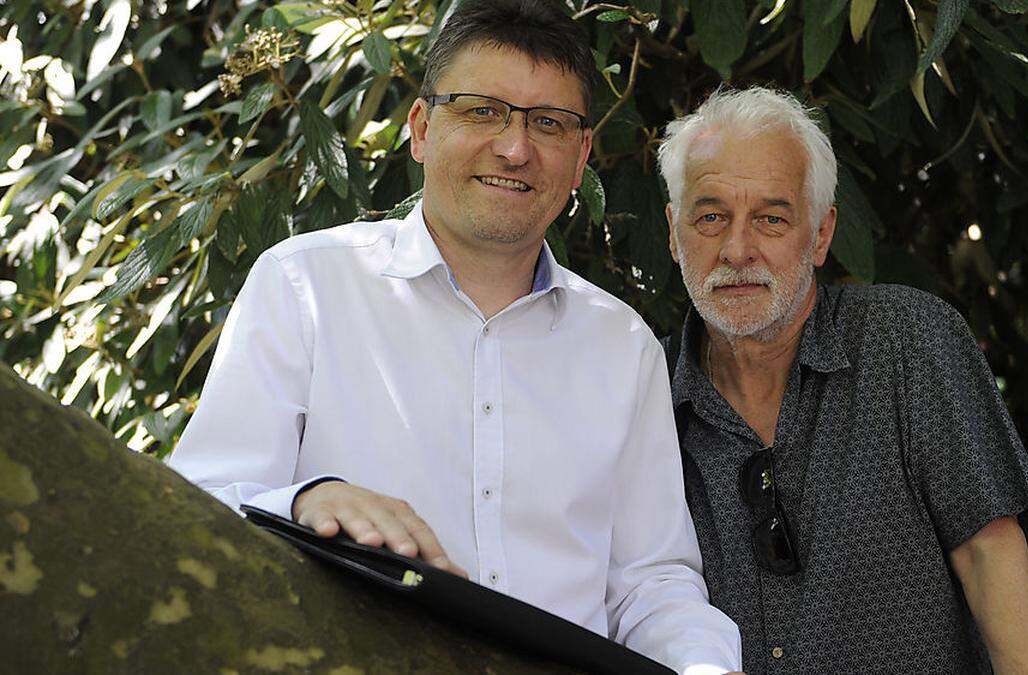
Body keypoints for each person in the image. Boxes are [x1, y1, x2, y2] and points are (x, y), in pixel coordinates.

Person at [167, 1, 742, 672]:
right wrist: (303, 499)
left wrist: (703, 664)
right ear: (420, 127)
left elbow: (652, 584)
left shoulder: (623, 346)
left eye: (548, 123)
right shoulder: (307, 286)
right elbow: (196, 504)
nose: (515, 147)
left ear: (583, 153)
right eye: (481, 110)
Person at [657, 87, 1028, 674]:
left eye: (772, 218)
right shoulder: (644, 389)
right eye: (711, 216)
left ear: (821, 235)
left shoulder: (906, 341)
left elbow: (992, 560)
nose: (737, 249)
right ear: (674, 233)